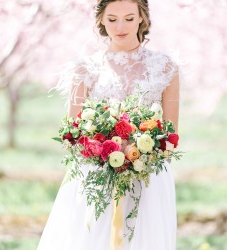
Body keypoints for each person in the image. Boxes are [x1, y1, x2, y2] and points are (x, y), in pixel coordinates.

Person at [37, 0, 179, 249]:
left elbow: (171, 136)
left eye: (129, 18)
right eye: (112, 19)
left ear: (142, 18)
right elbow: (72, 133)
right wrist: (100, 150)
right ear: (101, 19)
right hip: (94, 176)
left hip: (147, 176)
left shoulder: (165, 67)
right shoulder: (84, 69)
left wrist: (139, 156)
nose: (120, 26)